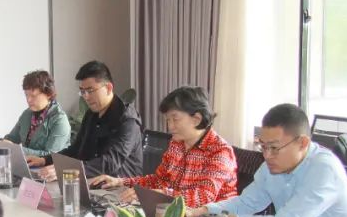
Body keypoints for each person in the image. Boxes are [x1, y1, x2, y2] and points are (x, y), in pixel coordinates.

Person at [189, 103, 347, 217]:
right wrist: (204, 211)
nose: (267, 155)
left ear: (302, 143)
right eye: (263, 146)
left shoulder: (324, 170)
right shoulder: (272, 165)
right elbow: (246, 203)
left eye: (274, 148)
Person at [89, 86, 237, 207]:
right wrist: (120, 182)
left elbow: (203, 197)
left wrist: (157, 195)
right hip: (173, 213)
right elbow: (159, 180)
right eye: (167, 120)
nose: (170, 127)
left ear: (197, 119)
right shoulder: (177, 143)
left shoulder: (220, 151)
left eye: (175, 119)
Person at [27, 61, 142, 179]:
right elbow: (76, 149)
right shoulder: (91, 114)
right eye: (82, 91)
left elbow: (110, 162)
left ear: (108, 88)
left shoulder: (128, 120)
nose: (86, 96)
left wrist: (66, 172)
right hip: (89, 180)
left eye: (90, 91)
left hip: (119, 186)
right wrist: (45, 160)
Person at [0, 70, 71, 157]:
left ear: (48, 94)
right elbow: (11, 139)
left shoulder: (59, 120)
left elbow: (51, 156)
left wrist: (12, 148)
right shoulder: (27, 113)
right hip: (26, 163)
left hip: (49, 166)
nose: (28, 100)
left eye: (33, 95)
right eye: (26, 95)